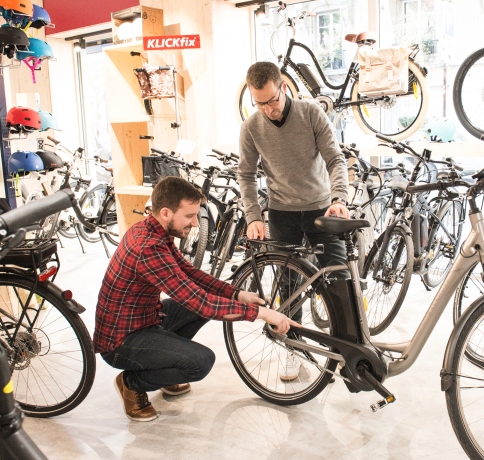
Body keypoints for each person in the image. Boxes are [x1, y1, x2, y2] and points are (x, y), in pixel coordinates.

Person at [93, 176, 298, 422]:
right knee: (200, 362)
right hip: (121, 341)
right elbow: (202, 303)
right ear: (166, 212)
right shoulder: (148, 248)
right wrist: (264, 314)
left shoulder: (153, 229)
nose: (195, 223)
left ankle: (163, 368)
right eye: (189, 216)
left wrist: (237, 293)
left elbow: (190, 274)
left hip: (145, 319)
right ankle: (132, 383)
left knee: (199, 305)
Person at [237, 61, 349, 382]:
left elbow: (334, 158)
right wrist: (254, 216)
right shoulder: (251, 127)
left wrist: (339, 199)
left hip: (321, 209)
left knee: (337, 278)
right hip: (282, 213)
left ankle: (345, 347)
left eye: (272, 100)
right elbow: (245, 175)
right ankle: (293, 349)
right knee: (289, 284)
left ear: (283, 87)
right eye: (259, 103)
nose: (268, 109)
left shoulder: (311, 113)